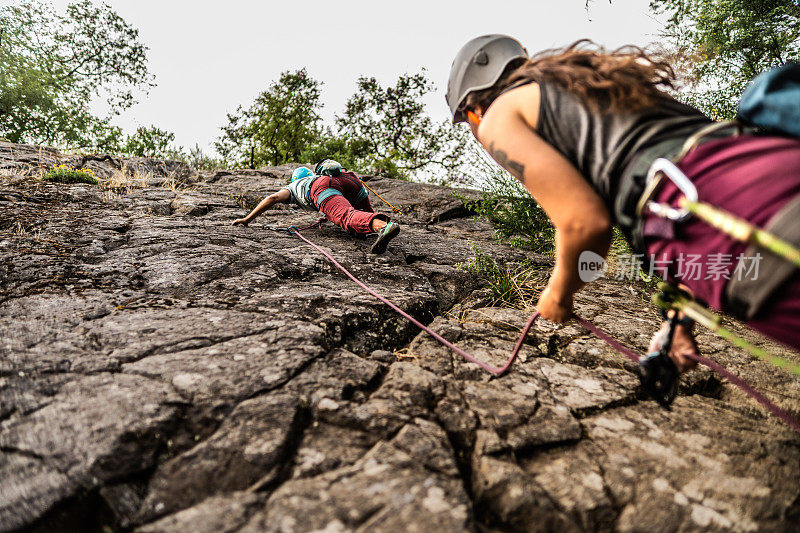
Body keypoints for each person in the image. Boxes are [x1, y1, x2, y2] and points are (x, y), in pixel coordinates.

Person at [446, 35, 800, 373]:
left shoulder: (497, 115)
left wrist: (559, 294)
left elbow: (584, 225)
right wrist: (677, 325)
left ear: (474, 108)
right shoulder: (593, 85)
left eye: (470, 123)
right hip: (768, 165)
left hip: (718, 214)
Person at [232, 160, 401, 254]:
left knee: (345, 216)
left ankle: (384, 227)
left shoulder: (294, 186)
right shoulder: (319, 174)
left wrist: (248, 219)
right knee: (364, 215)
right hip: (349, 179)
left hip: (323, 187)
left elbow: (273, 198)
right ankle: (373, 226)